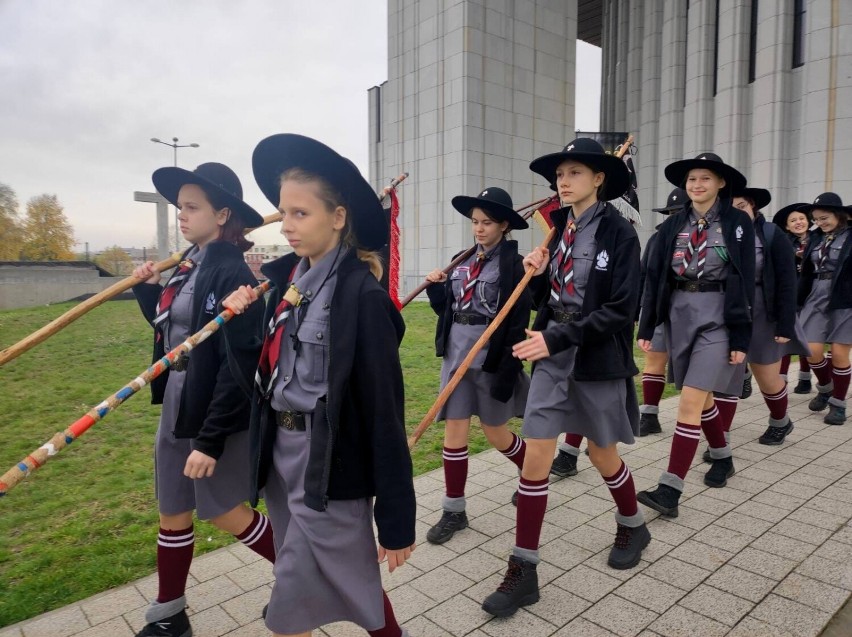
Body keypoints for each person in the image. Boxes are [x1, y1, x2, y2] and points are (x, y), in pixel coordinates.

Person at [223, 134, 416, 637]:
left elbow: (384, 414)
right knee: (335, 591)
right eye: (283, 213)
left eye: (300, 214)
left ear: (338, 217)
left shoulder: (361, 298)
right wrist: (238, 325)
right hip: (283, 467)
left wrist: (396, 518)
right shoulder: (288, 290)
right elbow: (263, 383)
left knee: (297, 604)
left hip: (329, 471)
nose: (285, 226)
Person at [482, 138, 649, 618]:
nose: (564, 180)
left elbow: (621, 309)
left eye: (574, 172)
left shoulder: (620, 233)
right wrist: (533, 273)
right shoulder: (557, 228)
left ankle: (633, 524)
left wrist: (557, 339)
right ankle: (524, 570)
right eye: (560, 174)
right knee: (537, 453)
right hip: (551, 355)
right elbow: (545, 297)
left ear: (599, 178)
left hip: (594, 358)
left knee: (602, 453)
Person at [131, 163, 273, 637]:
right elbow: (176, 330)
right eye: (179, 208)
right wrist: (146, 291)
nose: (181, 216)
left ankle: (300, 568)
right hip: (177, 396)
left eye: (192, 208)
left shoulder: (231, 271)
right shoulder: (189, 263)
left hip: (213, 406)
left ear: (223, 214)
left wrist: (209, 441)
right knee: (173, 505)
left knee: (223, 510)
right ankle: (169, 613)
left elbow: (238, 366)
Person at [636, 153, 755, 518]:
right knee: (700, 397)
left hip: (718, 315)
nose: (697, 185)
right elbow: (656, 276)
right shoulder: (673, 226)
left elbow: (744, 279)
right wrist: (647, 324)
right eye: (691, 180)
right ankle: (722, 456)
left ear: (720, 183)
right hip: (679, 313)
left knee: (689, 400)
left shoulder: (737, 223)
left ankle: (670, 489)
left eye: (705, 178)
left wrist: (739, 337)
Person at [423, 187, 531, 544]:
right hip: (457, 355)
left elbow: (516, 320)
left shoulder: (516, 266)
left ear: (504, 226)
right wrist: (437, 288)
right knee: (454, 433)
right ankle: (454, 510)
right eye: (475, 222)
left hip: (489, 357)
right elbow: (448, 311)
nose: (479, 229)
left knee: (496, 433)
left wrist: (509, 366)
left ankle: (532, 470)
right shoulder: (461, 260)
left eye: (487, 223)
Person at [723, 187, 809, 447]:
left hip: (764, 314)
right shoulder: (722, 235)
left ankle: (780, 421)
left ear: (753, 208)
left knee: (767, 377)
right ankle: (720, 439)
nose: (736, 213)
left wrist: (784, 323)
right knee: (727, 375)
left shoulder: (772, 235)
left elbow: (787, 282)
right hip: (730, 311)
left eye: (741, 207)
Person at [797, 193, 852, 425]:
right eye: (817, 219)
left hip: (845, 295)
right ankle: (826, 388)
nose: (821, 222)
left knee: (839, 354)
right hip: (816, 293)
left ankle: (838, 404)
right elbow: (808, 271)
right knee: (811, 349)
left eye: (825, 217)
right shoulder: (816, 238)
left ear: (839, 214)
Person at [637, 188, 688, 436]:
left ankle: (705, 423)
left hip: (693, 309)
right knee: (654, 359)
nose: (674, 217)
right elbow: (645, 274)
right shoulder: (657, 239)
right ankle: (649, 415)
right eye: (671, 213)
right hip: (660, 306)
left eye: (679, 212)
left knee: (694, 367)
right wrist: (640, 310)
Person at [774, 202, 815, 393]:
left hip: (814, 294)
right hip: (792, 296)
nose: (798, 223)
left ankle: (805, 379)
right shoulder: (784, 242)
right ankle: (781, 381)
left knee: (807, 338)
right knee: (787, 336)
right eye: (793, 220)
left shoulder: (818, 239)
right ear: (786, 226)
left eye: (801, 219)